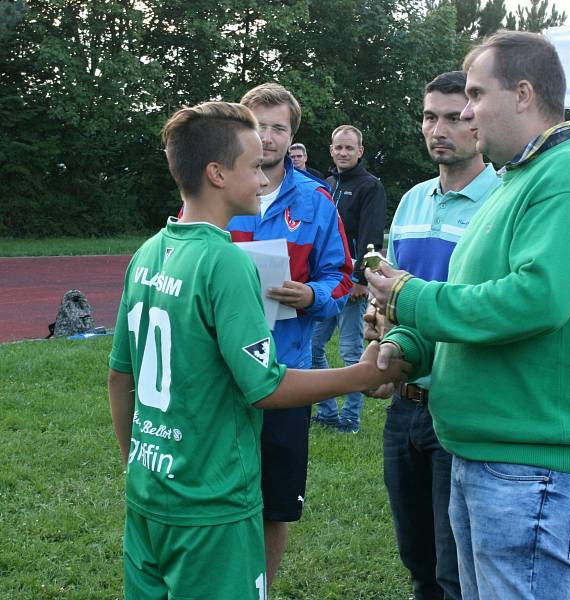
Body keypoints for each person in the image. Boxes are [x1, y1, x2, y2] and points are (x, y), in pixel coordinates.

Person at [365, 31, 570, 600]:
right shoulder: (519, 181)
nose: (465, 111)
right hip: (491, 454)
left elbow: (536, 301)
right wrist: (407, 348)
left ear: (524, 94)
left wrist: (408, 297)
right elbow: (476, 306)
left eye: (477, 94)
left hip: (535, 466)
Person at [107, 101, 407, 599]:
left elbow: (120, 376)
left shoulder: (149, 250)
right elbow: (264, 386)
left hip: (149, 490)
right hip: (212, 501)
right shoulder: (224, 262)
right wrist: (364, 374)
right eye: (253, 168)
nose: (265, 181)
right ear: (217, 174)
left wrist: (134, 461)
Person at [364, 70, 500, 600]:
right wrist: (377, 332)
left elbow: (490, 310)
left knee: (456, 571)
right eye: (428, 116)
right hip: (404, 404)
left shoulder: (502, 202)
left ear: (476, 120)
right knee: (418, 561)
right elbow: (391, 299)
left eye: (453, 116)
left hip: (462, 401)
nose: (438, 129)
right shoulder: (413, 201)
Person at [226, 82, 354, 589]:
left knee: (275, 503)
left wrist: (312, 296)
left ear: (292, 135)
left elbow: (342, 276)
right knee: (220, 494)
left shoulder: (317, 201)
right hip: (223, 373)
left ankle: (261, 589)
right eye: (259, 126)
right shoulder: (222, 189)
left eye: (279, 127)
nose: (269, 137)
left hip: (286, 373)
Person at [311, 125, 387, 433]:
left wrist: (361, 279)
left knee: (351, 353)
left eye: (349, 148)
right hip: (328, 282)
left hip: (352, 284)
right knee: (314, 347)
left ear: (360, 151)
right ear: (331, 150)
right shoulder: (328, 184)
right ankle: (329, 411)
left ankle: (351, 419)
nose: (343, 153)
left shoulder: (370, 186)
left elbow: (372, 236)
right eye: (338, 148)